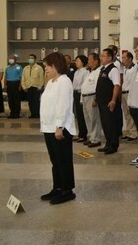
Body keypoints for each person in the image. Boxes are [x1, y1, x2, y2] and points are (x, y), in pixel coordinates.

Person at [39, 52, 77, 205]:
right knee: (55, 160)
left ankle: (68, 191)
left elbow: (63, 105)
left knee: (64, 160)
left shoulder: (64, 81)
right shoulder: (51, 82)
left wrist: (59, 126)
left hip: (60, 127)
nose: (46, 69)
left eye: (47, 66)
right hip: (48, 127)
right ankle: (58, 187)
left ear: (55, 66)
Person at [95, 48, 122, 155]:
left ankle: (113, 145)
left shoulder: (113, 69)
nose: (101, 58)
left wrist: (113, 100)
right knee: (105, 124)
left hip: (109, 101)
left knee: (111, 124)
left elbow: (116, 85)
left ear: (110, 57)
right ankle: (108, 143)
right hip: (101, 102)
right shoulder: (103, 69)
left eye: (103, 56)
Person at [81, 53, 103, 148]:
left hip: (92, 97)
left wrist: (96, 98)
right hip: (85, 97)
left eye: (90, 60)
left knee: (94, 119)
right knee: (88, 119)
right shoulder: (90, 72)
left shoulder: (98, 71)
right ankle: (90, 136)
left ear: (96, 61)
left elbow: (98, 86)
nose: (88, 62)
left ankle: (96, 139)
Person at [121, 51, 138, 143]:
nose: (122, 60)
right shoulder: (125, 69)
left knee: (131, 114)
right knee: (126, 114)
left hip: (129, 93)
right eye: (122, 58)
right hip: (123, 92)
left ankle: (133, 133)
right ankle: (128, 131)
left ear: (130, 59)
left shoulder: (134, 68)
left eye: (124, 58)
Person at [72, 55, 89, 143]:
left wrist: (81, 98)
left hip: (80, 93)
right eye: (76, 61)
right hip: (75, 93)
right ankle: (80, 133)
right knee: (77, 115)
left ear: (83, 62)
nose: (76, 62)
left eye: (78, 61)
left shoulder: (85, 72)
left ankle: (83, 134)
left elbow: (84, 85)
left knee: (82, 115)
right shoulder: (76, 72)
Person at [21, 54, 44, 119]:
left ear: (35, 59)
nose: (30, 59)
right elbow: (23, 78)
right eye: (29, 58)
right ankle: (32, 114)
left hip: (36, 87)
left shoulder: (39, 67)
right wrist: (24, 87)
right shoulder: (25, 68)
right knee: (30, 101)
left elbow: (41, 78)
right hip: (28, 87)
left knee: (36, 102)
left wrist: (40, 86)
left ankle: (37, 114)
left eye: (32, 58)